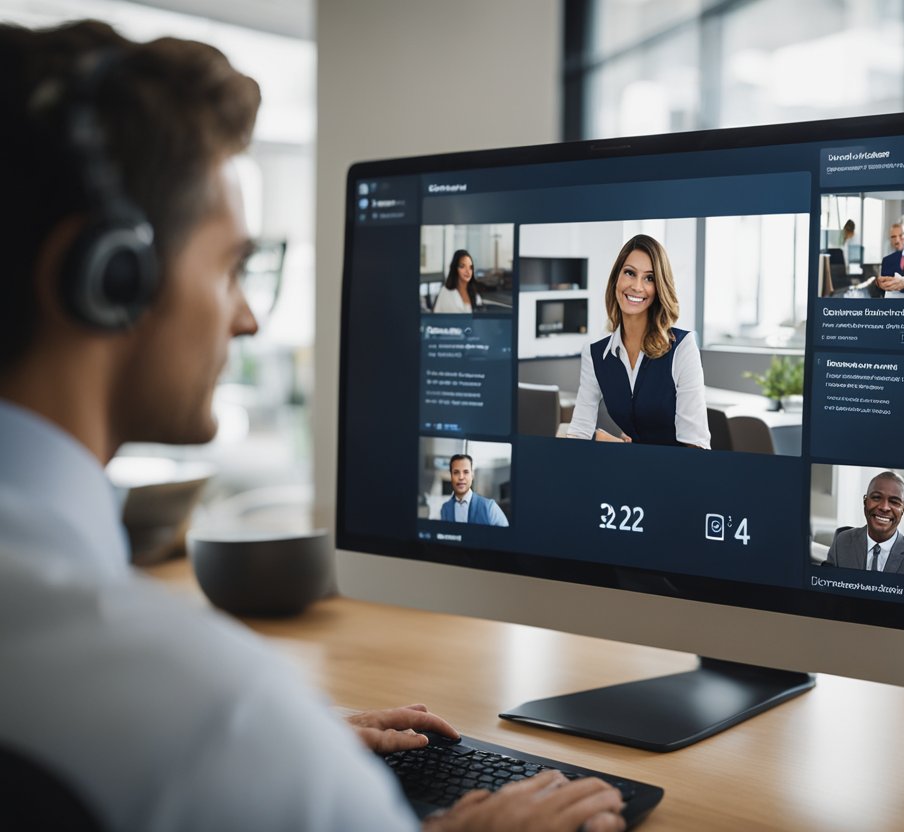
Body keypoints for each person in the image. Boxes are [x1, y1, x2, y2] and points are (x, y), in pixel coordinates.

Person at [0, 20, 623, 832]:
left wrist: (292, 752)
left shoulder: (196, 717)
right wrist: (263, 748)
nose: (249, 318)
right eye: (230, 267)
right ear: (106, 277)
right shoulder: (200, 712)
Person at [566, 234, 711, 448]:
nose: (637, 286)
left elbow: (696, 448)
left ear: (659, 287)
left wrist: (617, 445)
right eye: (629, 273)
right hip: (629, 474)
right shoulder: (596, 355)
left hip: (678, 477)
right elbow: (578, 433)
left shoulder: (682, 347)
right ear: (617, 278)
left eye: (649, 278)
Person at [825, 471, 904, 576]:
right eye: (876, 497)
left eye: (894, 501)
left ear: (903, 508)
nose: (884, 507)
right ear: (865, 502)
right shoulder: (842, 542)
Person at [439, 454, 509, 526]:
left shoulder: (489, 507)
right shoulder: (445, 509)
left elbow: (506, 535)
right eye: (456, 472)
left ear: (472, 475)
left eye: (466, 472)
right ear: (451, 476)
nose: (461, 477)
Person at [432, 249, 481, 313]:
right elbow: (436, 318)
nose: (467, 271)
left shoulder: (475, 295)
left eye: (470, 267)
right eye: (462, 266)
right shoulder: (445, 292)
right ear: (455, 269)